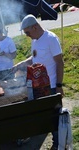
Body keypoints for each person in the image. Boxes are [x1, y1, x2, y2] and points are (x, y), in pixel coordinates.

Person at [14, 14, 64, 150]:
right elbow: (35, 57)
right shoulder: (35, 40)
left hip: (51, 85)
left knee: (54, 117)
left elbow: (59, 62)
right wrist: (22, 63)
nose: (27, 35)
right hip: (38, 85)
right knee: (41, 114)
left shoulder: (51, 39)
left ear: (35, 27)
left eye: (27, 32)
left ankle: (58, 144)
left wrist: (59, 86)